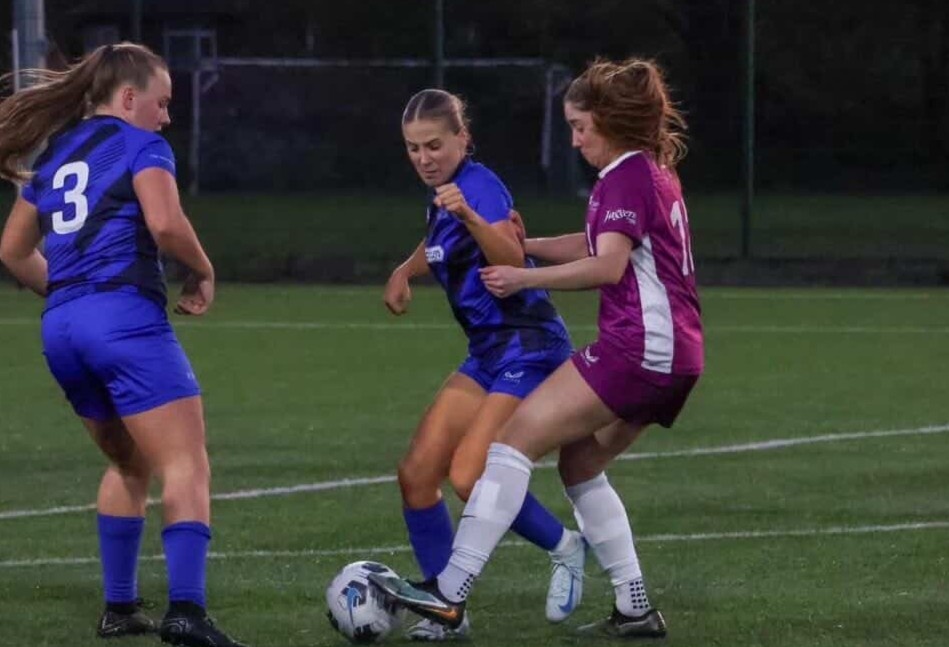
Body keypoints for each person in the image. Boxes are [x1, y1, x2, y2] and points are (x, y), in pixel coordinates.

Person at [370, 58, 703, 639]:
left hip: (639, 346)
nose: (574, 140)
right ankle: (635, 608)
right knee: (580, 463)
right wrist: (533, 247)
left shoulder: (624, 176)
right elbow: (597, 241)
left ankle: (449, 596)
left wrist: (523, 274)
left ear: (612, 122)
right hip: (674, 353)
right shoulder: (648, 172)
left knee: (510, 446)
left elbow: (608, 263)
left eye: (580, 127)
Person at [0, 42, 248, 647]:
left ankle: (119, 609)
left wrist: (70, 300)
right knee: (186, 463)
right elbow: (164, 225)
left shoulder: (55, 153)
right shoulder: (143, 145)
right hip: (124, 320)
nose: (166, 117)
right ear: (130, 98)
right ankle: (186, 613)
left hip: (62, 327)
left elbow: (10, 251)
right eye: (161, 103)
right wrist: (206, 269)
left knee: (129, 462)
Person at [383, 88, 588, 640]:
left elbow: (509, 255)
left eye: (434, 145)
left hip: (529, 345)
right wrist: (405, 272)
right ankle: (448, 613)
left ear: (462, 140)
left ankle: (567, 547)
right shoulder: (444, 196)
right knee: (417, 475)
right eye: (412, 148)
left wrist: (470, 213)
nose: (424, 158)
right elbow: (437, 245)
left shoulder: (481, 188)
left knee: (470, 476)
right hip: (489, 353)